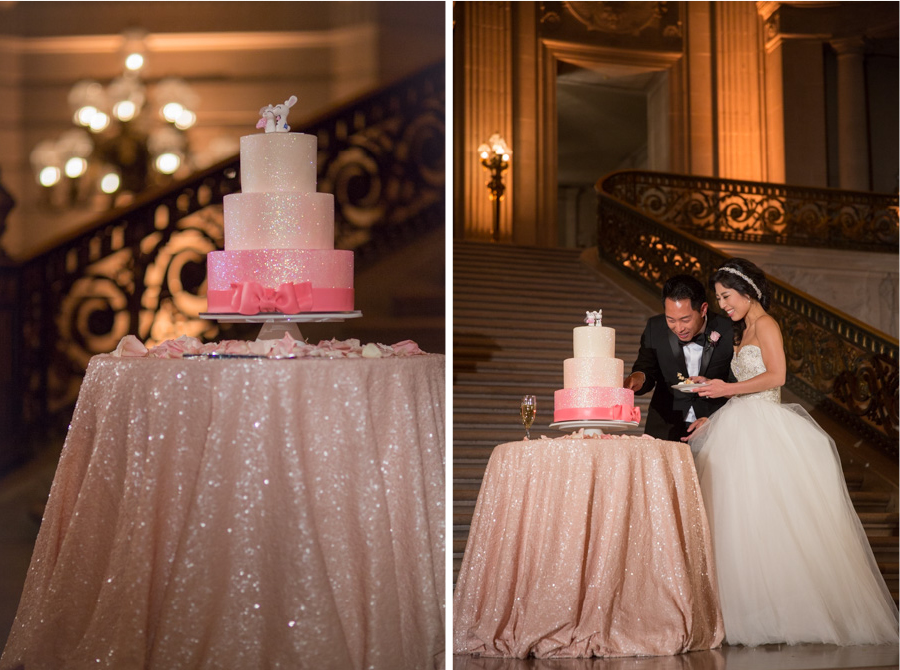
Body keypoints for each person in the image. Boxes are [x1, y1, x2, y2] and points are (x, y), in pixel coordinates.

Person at [687, 258, 898, 646]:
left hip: (766, 429)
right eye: (718, 298)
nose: (723, 305)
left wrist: (725, 389)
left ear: (748, 291)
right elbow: (746, 385)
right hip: (739, 424)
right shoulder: (740, 329)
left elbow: (777, 377)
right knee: (739, 523)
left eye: (728, 296)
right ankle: (744, 611)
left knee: (770, 524)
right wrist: (712, 406)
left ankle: (786, 613)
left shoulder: (766, 324)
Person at [624, 275, 734, 441]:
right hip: (666, 427)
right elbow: (646, 368)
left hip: (714, 427)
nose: (679, 328)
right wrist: (638, 378)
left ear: (703, 309)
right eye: (671, 320)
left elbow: (737, 384)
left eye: (685, 319)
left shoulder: (729, 330)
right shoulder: (656, 327)